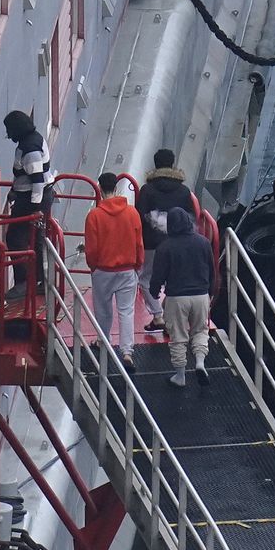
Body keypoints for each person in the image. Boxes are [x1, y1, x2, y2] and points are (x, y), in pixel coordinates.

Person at [84, 172, 144, 372]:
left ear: (100, 189)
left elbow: (92, 248)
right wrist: (138, 264)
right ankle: (127, 352)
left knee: (103, 309)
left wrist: (93, 267)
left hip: (103, 270)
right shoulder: (132, 213)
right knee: (126, 311)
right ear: (117, 188)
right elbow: (138, 243)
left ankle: (104, 340)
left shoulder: (94, 215)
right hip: (127, 269)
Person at [149, 206, 214, 387]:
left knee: (177, 336)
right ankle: (200, 363)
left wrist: (154, 292)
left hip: (177, 297)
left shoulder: (165, 247)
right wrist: (211, 291)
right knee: (200, 330)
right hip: (201, 294)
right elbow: (211, 269)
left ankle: (180, 375)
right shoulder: (203, 242)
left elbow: (158, 275)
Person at [136, 148, 196, 332]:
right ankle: (169, 315)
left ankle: (157, 316)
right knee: (174, 279)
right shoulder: (184, 191)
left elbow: (139, 217)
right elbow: (191, 216)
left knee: (145, 280)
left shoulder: (147, 190)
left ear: (155, 164)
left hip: (152, 244)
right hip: (178, 244)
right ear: (172, 164)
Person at [3, 110, 55, 300]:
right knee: (37, 239)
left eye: (9, 130)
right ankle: (41, 281)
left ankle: (24, 283)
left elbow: (37, 180)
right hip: (35, 196)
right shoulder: (34, 139)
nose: (8, 134)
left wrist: (35, 208)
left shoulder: (29, 148)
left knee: (15, 238)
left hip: (32, 199)